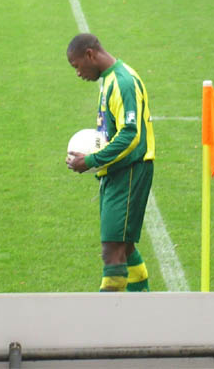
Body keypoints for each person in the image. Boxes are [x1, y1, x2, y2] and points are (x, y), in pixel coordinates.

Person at [66, 33, 154, 293]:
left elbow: (130, 134)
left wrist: (91, 159)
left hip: (129, 172)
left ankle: (102, 323)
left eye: (77, 66)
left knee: (113, 254)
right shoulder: (109, 80)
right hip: (116, 172)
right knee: (124, 248)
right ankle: (144, 306)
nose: (78, 73)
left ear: (90, 55)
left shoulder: (123, 82)